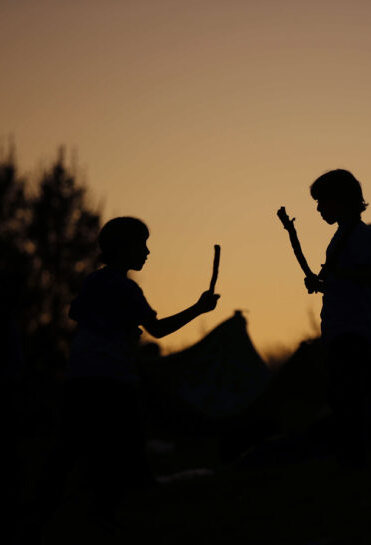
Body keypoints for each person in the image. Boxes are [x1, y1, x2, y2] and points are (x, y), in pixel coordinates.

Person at [29, 217, 220, 535]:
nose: (147, 252)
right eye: (141, 245)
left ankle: (41, 514)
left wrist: (111, 323)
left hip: (80, 375)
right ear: (122, 248)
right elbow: (158, 330)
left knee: (69, 445)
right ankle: (102, 515)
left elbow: (75, 312)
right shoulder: (127, 288)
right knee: (120, 446)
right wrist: (198, 309)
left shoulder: (95, 281)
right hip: (112, 379)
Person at [304, 169, 371, 469]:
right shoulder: (343, 235)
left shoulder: (361, 236)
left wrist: (332, 276)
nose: (319, 208)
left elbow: (366, 275)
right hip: (341, 329)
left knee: (348, 397)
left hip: (354, 330)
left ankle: (354, 458)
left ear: (342, 200)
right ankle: (350, 456)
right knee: (341, 397)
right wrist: (324, 283)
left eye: (323, 201)